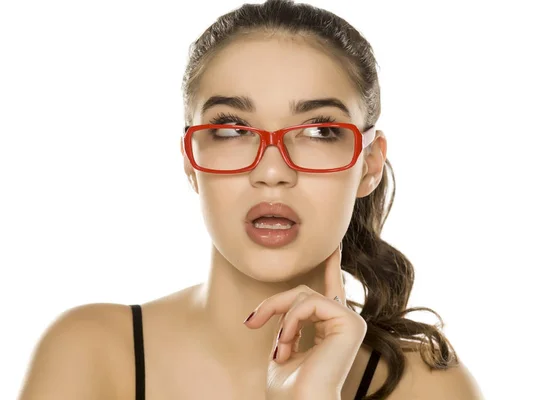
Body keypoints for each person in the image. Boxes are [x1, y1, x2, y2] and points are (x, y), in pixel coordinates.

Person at [18, 0, 483, 399]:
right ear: (190, 160)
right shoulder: (89, 353)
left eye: (320, 131)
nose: (273, 171)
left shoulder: (428, 386)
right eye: (232, 130)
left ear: (369, 165)